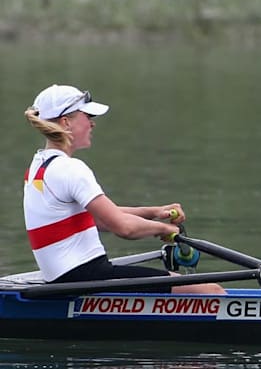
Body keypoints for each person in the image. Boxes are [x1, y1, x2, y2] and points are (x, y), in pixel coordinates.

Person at [22, 84, 224, 294]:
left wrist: (155, 212)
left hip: (65, 278)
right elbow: (123, 228)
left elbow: (101, 217)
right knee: (211, 292)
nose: (93, 123)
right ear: (66, 123)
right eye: (88, 116)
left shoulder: (39, 167)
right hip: (87, 276)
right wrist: (166, 229)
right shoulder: (71, 169)